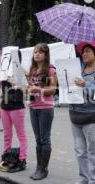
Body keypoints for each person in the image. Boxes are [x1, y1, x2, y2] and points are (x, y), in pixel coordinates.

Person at [69, 42, 95, 184]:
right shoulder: (78, 69)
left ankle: (94, 181)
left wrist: (85, 85)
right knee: (80, 152)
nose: (83, 54)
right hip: (75, 116)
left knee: (93, 152)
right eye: (83, 51)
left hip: (94, 117)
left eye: (87, 51)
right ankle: (84, 179)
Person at [27, 43, 57, 180]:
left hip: (45, 108)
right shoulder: (32, 70)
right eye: (35, 52)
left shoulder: (51, 70)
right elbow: (29, 87)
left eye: (40, 52)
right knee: (38, 139)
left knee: (45, 139)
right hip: (33, 107)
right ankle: (39, 167)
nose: (37, 54)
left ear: (45, 55)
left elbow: (53, 90)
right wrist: (27, 89)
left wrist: (38, 89)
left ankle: (43, 169)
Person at [0, 50, 28, 173]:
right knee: (7, 135)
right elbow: (2, 90)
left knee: (21, 135)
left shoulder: (21, 71)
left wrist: (16, 83)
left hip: (17, 107)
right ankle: (5, 159)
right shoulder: (3, 71)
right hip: (5, 107)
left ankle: (22, 160)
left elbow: (26, 90)